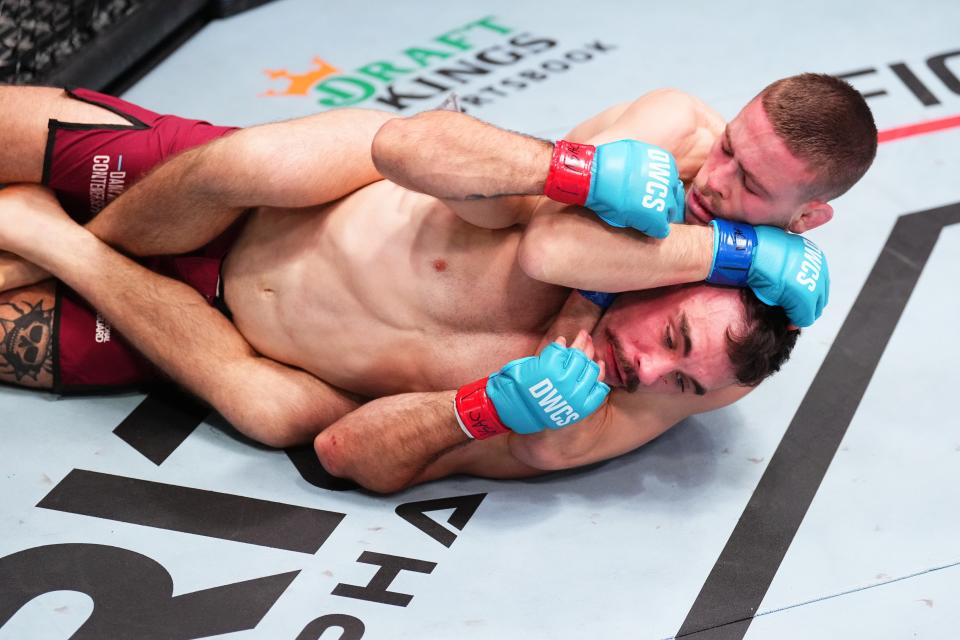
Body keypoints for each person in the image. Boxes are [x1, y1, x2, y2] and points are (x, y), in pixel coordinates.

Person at [0, 75, 874, 491]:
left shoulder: (696, 371)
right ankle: (50, 243)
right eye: (731, 154)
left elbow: (349, 450)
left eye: (752, 190)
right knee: (261, 159)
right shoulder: (674, 139)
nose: (715, 185)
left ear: (809, 218)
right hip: (232, 198)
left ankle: (55, 245)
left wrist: (484, 413)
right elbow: (546, 252)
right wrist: (736, 252)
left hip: (186, 334)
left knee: (279, 413)